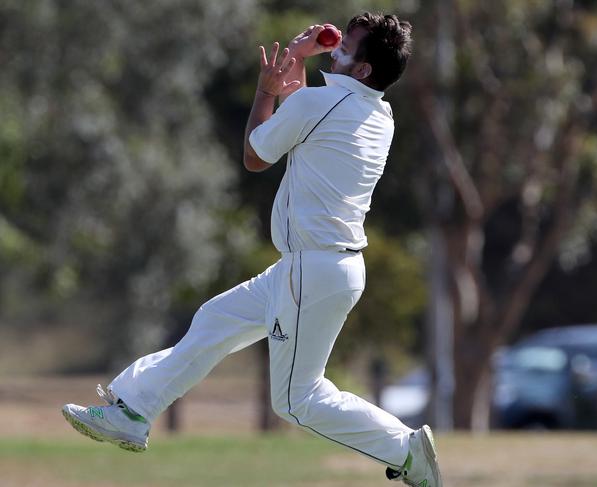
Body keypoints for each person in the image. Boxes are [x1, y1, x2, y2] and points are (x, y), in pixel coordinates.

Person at [62, 12, 442, 486]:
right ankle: (131, 412)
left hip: (313, 271)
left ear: (364, 69)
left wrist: (266, 88)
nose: (338, 44)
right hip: (314, 267)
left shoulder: (322, 104)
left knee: (295, 400)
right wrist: (299, 64)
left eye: (348, 44)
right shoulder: (377, 113)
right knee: (215, 321)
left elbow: (256, 155)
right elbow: (305, 115)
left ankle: (405, 450)